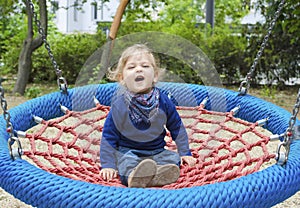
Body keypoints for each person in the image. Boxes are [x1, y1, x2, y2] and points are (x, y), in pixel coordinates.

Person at [100, 44, 196, 188]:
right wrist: (108, 165)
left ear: (155, 75)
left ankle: (156, 175)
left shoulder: (163, 101)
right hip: (128, 151)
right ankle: (135, 175)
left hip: (156, 151)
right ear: (122, 78)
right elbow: (108, 136)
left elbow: (177, 127)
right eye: (131, 67)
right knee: (125, 162)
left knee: (173, 159)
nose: (138, 69)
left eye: (145, 66)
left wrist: (185, 152)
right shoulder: (120, 104)